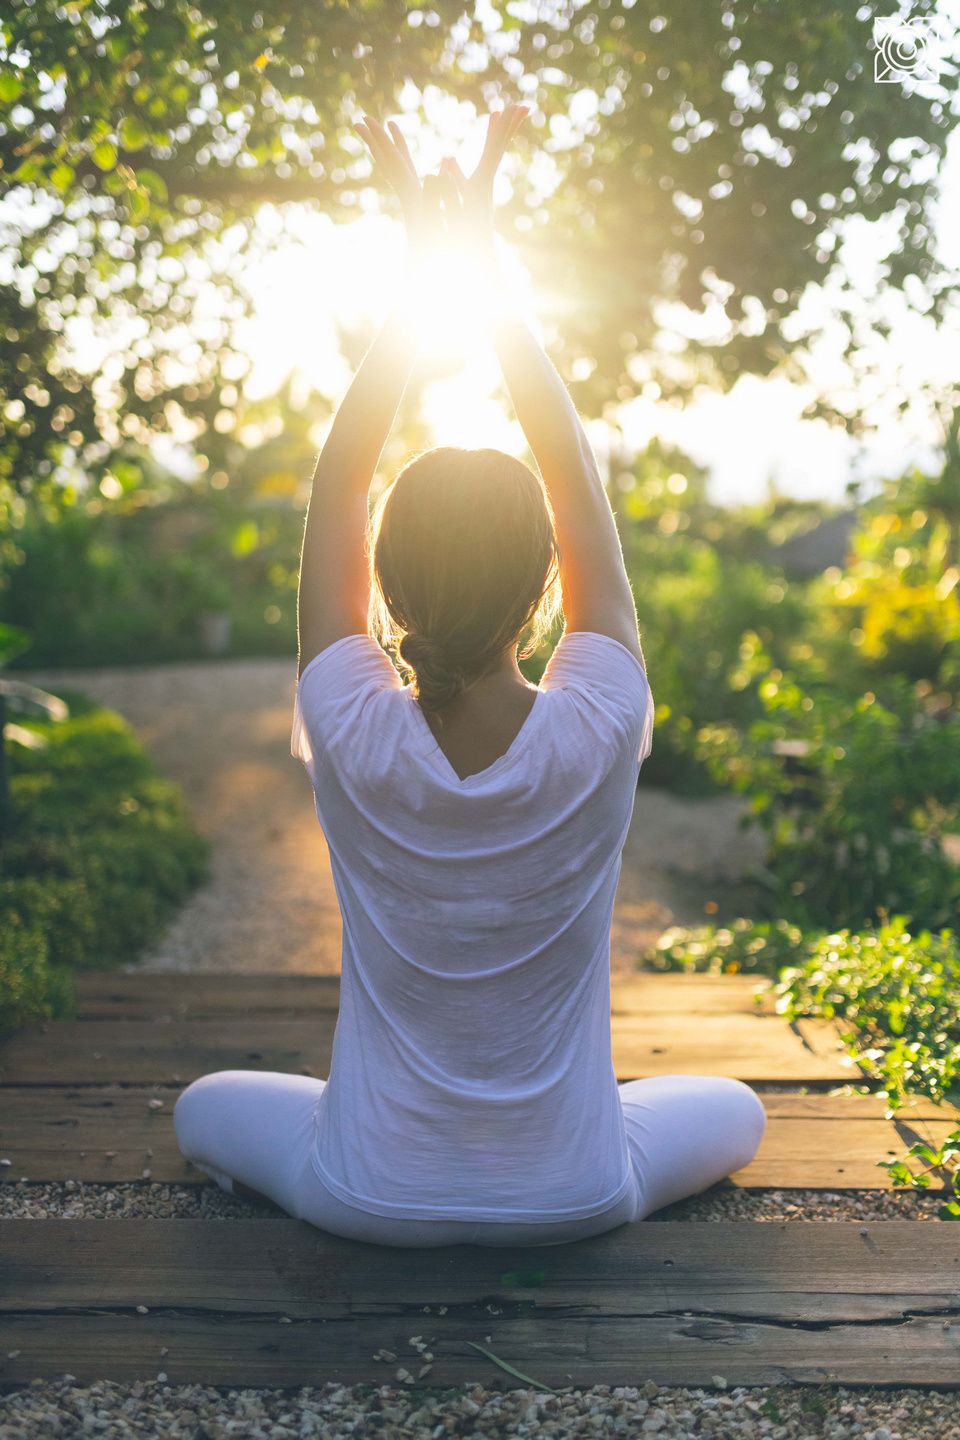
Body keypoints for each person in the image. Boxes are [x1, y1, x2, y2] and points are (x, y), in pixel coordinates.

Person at [174, 105, 767, 1248]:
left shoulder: (349, 720)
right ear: (546, 583)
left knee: (206, 1106)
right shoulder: (598, 721)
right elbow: (574, 475)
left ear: (383, 596)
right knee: (735, 1108)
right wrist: (485, 271)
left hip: (365, 1195)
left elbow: (336, 487)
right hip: (578, 1197)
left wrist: (421, 269)